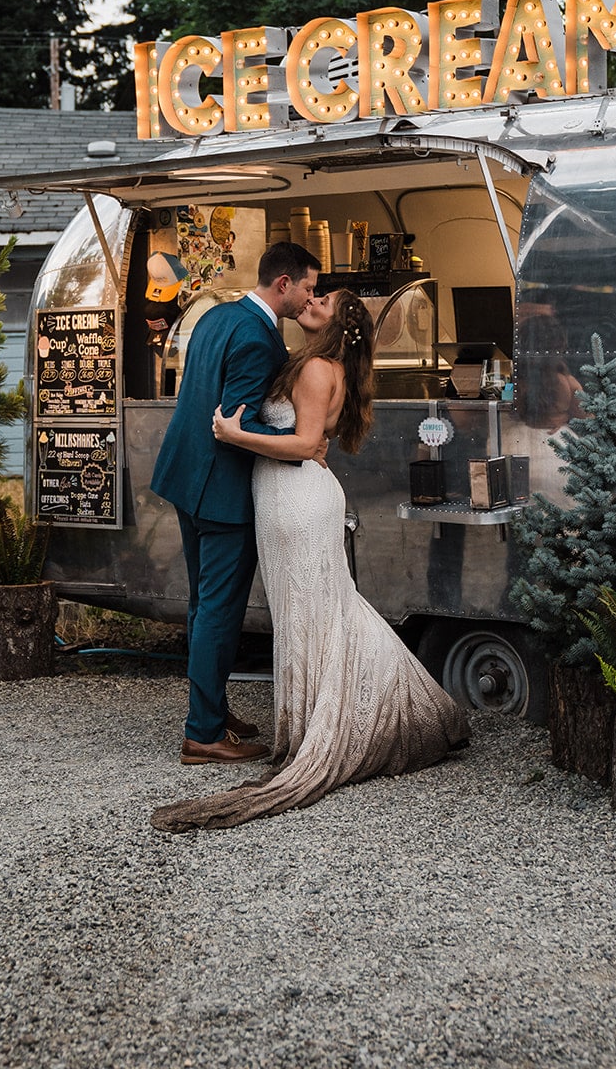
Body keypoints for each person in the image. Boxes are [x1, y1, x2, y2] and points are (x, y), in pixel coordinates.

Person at [151, 287, 469, 832]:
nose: (312, 299)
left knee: (318, 608)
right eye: (312, 290)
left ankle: (353, 710)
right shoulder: (307, 361)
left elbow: (303, 445)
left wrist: (235, 432)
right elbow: (303, 436)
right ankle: (302, 713)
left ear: (336, 321)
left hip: (297, 500)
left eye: (322, 299)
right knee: (306, 612)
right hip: (280, 497)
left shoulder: (319, 368)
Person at [150, 240, 321, 765]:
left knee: (204, 604)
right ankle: (203, 733)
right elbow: (237, 425)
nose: (310, 300)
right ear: (284, 283)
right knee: (219, 610)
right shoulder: (256, 339)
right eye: (308, 289)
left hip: (184, 477)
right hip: (221, 491)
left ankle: (213, 710)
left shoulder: (216, 315)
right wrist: (302, 448)